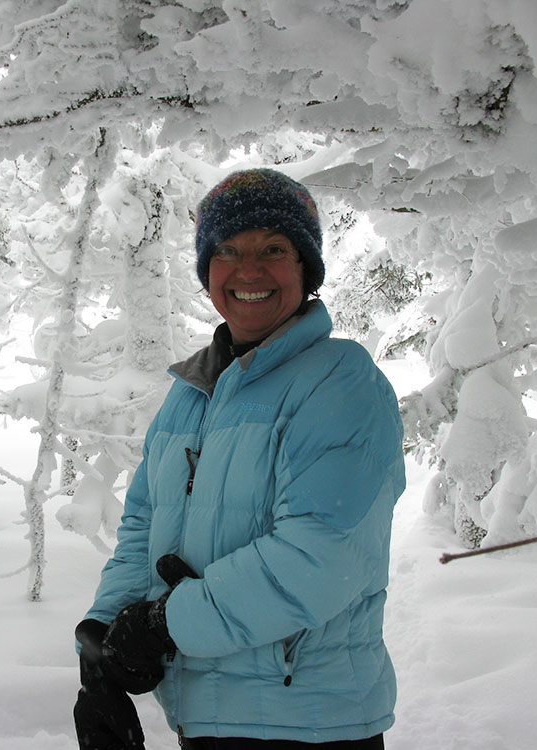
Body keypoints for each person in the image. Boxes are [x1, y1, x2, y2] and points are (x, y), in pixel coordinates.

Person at [73, 168, 406, 749]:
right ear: (207, 274)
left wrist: (161, 628)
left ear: (306, 270)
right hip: (206, 719)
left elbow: (320, 558)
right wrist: (99, 651)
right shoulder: (191, 393)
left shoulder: (339, 381)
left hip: (310, 724)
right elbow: (143, 528)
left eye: (274, 249)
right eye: (227, 250)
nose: (248, 271)